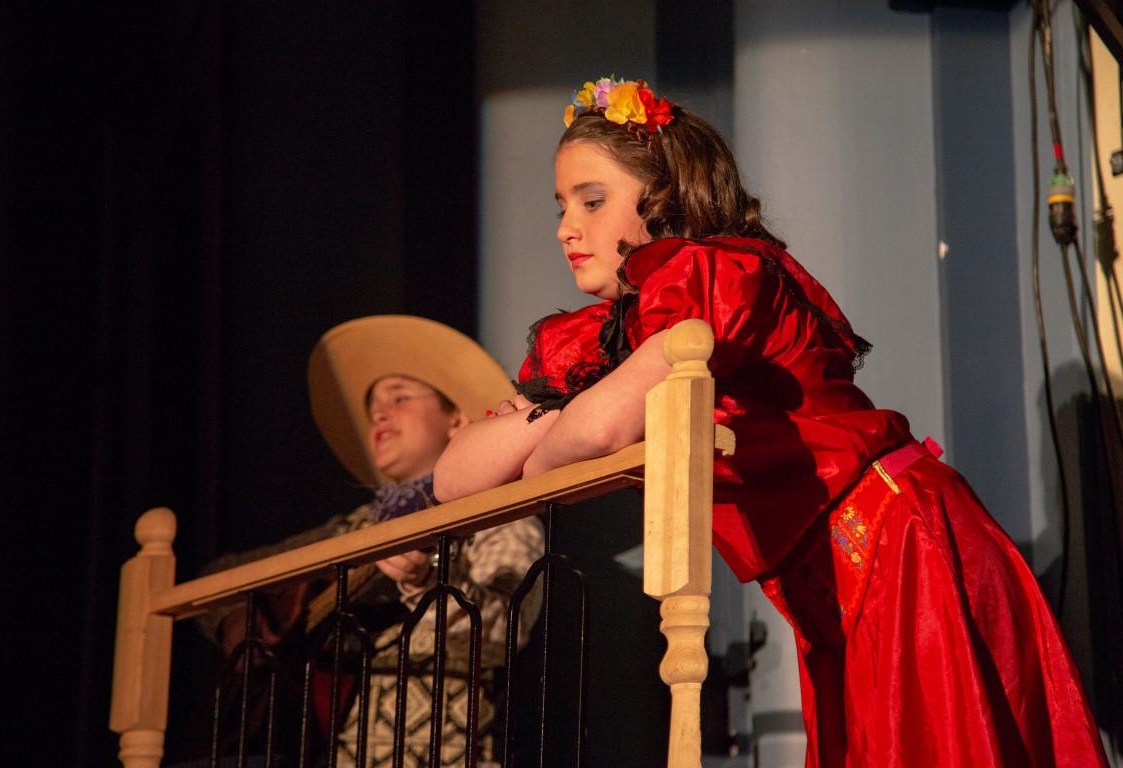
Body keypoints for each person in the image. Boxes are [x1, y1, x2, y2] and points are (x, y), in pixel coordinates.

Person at [434, 77, 1109, 766]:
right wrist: (564, 426)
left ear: (663, 196)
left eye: (592, 201)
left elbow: (591, 438)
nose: (566, 229)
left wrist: (547, 441)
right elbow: (455, 478)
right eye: (561, 207)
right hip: (828, 587)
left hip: (896, 546)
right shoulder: (598, 337)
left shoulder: (715, 275)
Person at [201, 314, 544, 768]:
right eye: (373, 408)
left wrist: (424, 582)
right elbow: (218, 578)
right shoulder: (350, 529)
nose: (379, 413)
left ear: (457, 420)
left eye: (399, 397)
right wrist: (234, 620)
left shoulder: (496, 515)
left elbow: (504, 631)